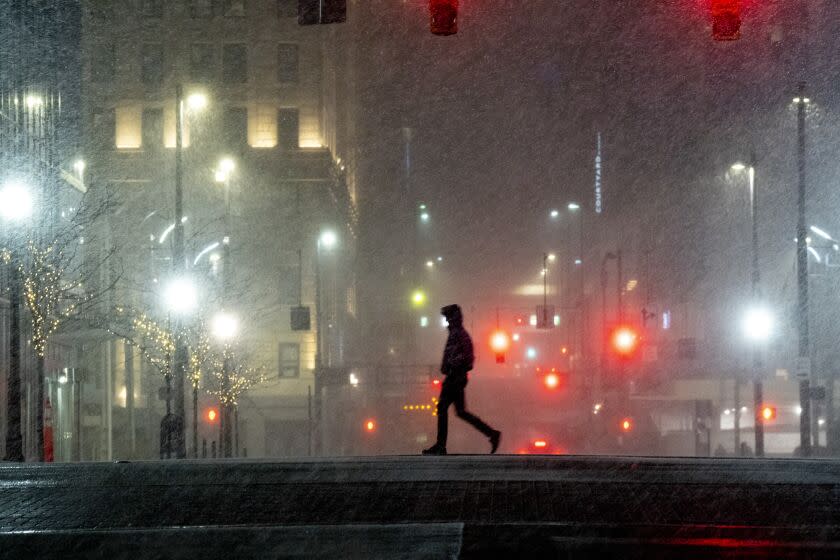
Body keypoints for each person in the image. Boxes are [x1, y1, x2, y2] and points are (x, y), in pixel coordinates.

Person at [423, 304, 501, 455]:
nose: (446, 320)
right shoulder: (457, 333)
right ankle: (491, 434)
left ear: (453, 318)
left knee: (443, 408)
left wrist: (451, 366)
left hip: (455, 377)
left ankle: (441, 445)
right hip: (456, 376)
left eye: (447, 317)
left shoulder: (458, 335)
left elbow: (467, 358)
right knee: (461, 412)